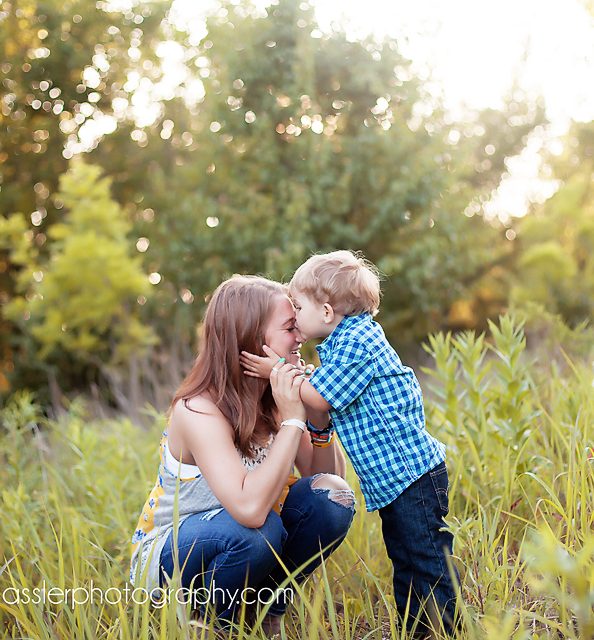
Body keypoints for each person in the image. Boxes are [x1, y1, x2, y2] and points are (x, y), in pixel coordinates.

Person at [242, 251, 459, 636]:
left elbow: (321, 400)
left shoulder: (358, 341)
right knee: (405, 557)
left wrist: (278, 369)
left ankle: (443, 628)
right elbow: (320, 395)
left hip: (412, 477)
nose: (295, 316)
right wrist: (304, 379)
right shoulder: (345, 343)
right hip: (398, 481)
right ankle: (417, 630)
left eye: (299, 306)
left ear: (326, 311)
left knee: (424, 556)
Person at [129, 275, 355, 634]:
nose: (301, 337)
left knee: (333, 496)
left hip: (243, 535)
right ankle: (213, 623)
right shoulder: (198, 409)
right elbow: (249, 510)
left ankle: (267, 614)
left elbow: (321, 476)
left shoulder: (277, 395)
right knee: (257, 529)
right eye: (289, 327)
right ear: (250, 338)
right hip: (172, 554)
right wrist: (294, 420)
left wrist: (317, 417)